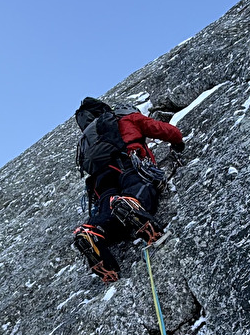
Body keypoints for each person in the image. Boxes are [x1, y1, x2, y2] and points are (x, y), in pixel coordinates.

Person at [71, 96, 185, 282]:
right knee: (141, 188)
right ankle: (134, 205)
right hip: (126, 164)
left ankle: (94, 230)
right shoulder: (126, 117)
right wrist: (178, 141)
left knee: (109, 207)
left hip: (100, 180)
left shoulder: (88, 137)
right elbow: (162, 130)